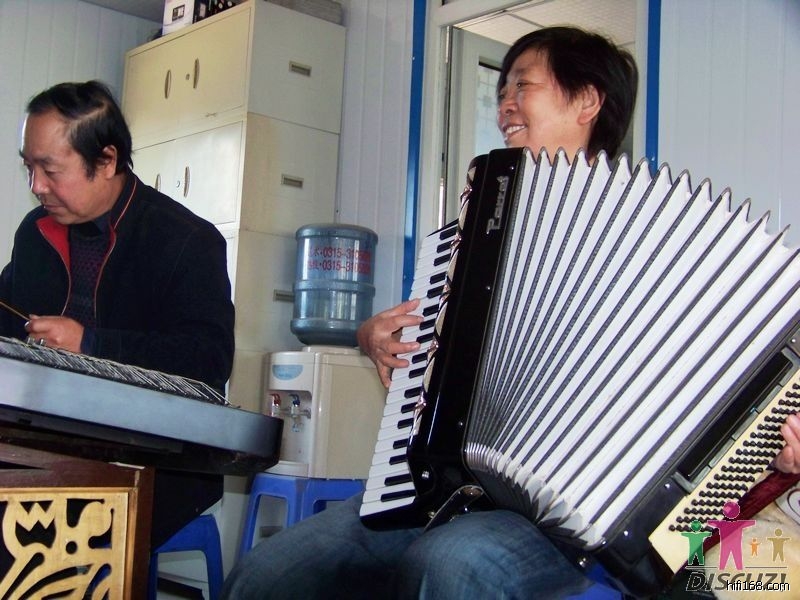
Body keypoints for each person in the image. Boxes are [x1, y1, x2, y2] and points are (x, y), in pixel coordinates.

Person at [222, 25, 800, 599]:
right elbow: (426, 346)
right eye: (502, 91)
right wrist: (373, 334)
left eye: (523, 85)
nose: (505, 105)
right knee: (272, 572)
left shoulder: (669, 241)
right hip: (446, 491)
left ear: (587, 101)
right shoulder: (479, 238)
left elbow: (739, 388)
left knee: (452, 564)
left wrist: (780, 440)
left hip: (578, 525)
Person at [3, 80, 236, 547]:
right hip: (47, 439)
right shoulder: (36, 231)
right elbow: (9, 318)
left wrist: (89, 345)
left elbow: (207, 363)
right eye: (29, 167)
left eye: (50, 169)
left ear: (106, 161)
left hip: (155, 455)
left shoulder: (185, 241)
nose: (37, 186)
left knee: (40, 539)